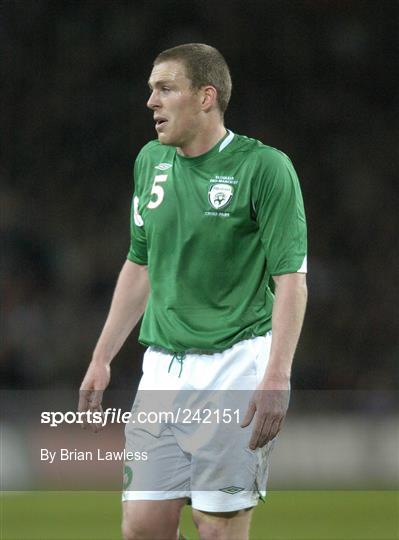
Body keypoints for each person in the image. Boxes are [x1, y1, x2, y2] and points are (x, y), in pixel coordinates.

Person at [79, 43, 307, 540]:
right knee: (142, 527)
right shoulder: (150, 162)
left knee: (217, 530)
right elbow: (140, 264)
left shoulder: (265, 168)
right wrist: (102, 356)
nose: (151, 102)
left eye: (165, 88)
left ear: (206, 97)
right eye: (150, 90)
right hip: (161, 370)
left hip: (234, 367)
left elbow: (290, 278)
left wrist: (277, 376)